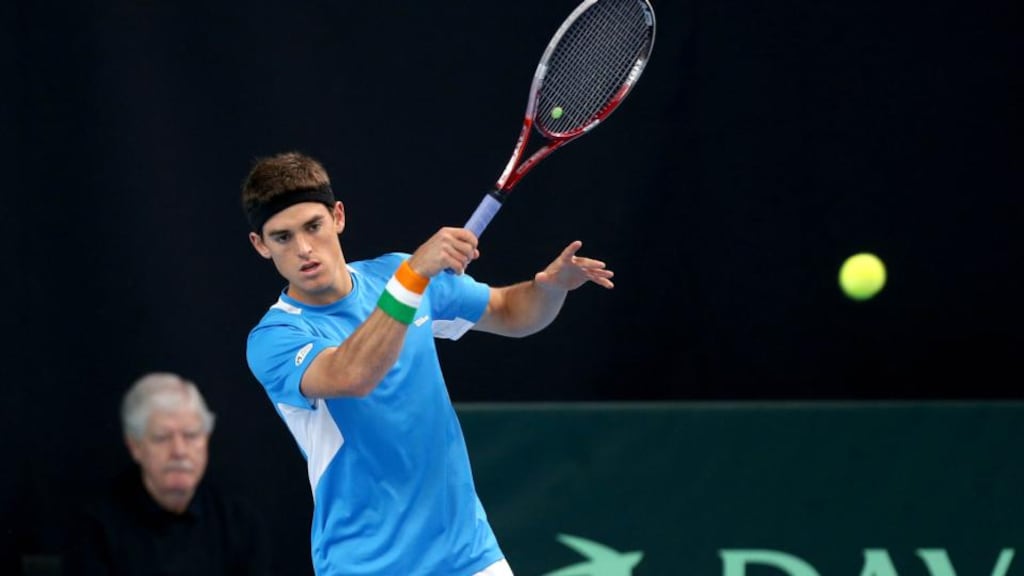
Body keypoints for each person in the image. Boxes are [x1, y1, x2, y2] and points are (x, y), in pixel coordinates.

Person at [240, 150, 614, 576]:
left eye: (313, 226)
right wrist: (413, 277)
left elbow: (512, 312)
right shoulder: (275, 338)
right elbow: (353, 374)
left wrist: (550, 288)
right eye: (283, 237)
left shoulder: (396, 276)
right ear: (261, 245)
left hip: (468, 554)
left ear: (338, 216)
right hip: (367, 566)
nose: (304, 248)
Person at [63, 372, 272, 576]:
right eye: (162, 437)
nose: (179, 451)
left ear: (206, 439)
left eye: (191, 435)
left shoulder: (238, 522)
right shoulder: (97, 529)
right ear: (135, 446)